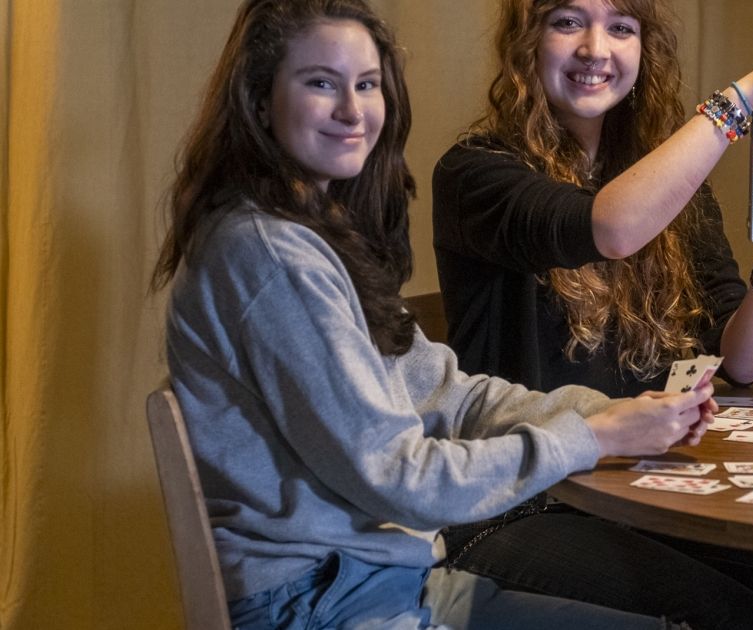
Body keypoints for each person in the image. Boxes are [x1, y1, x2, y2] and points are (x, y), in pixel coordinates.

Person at [150, 0, 717, 628]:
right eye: (321, 84)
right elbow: (401, 477)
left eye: (367, 84)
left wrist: (604, 414)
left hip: (382, 579)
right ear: (260, 100)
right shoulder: (270, 254)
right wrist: (596, 438)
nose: (352, 111)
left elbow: (447, 394)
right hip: (317, 602)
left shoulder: (318, 235)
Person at [432, 0, 753, 628]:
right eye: (568, 22)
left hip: (644, 486)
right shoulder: (473, 173)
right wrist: (743, 99)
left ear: (645, 51)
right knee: (731, 612)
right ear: (527, 41)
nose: (596, 48)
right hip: (522, 502)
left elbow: (739, 364)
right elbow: (612, 229)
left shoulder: (674, 184)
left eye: (621, 27)